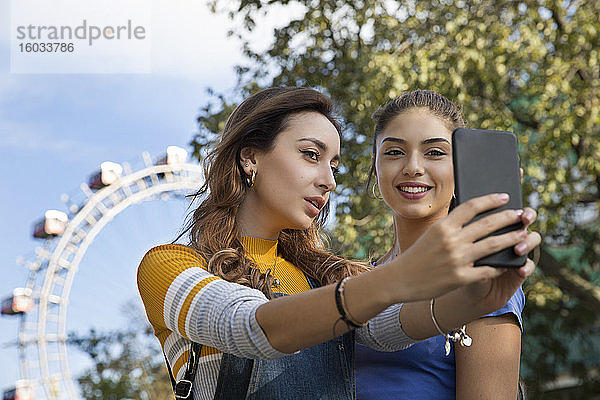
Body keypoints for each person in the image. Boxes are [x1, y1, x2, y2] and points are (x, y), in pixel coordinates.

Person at [137, 87, 540, 400]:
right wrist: (400, 277)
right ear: (250, 159)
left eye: (334, 165)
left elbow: (389, 327)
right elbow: (250, 327)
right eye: (311, 155)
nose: (329, 180)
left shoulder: (326, 280)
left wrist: (476, 302)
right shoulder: (168, 266)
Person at [355, 89, 530, 399]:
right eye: (394, 151)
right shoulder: (356, 280)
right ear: (376, 167)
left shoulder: (483, 276)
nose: (413, 167)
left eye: (434, 152)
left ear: (460, 170)